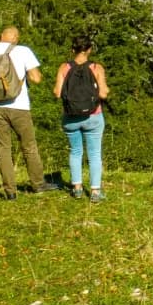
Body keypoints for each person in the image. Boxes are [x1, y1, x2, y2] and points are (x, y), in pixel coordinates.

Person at [0, 26, 56, 200]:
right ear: (15, 38)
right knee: (29, 146)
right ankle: (38, 184)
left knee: (3, 149)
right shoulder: (23, 50)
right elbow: (36, 79)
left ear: (0, 36)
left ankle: (10, 191)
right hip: (20, 106)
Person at [53, 35, 111, 202]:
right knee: (94, 154)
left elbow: (57, 93)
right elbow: (103, 93)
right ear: (89, 50)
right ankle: (94, 191)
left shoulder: (64, 67)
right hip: (93, 116)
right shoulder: (96, 68)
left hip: (70, 117)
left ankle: (77, 188)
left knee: (75, 151)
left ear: (73, 50)